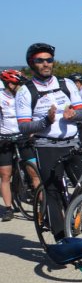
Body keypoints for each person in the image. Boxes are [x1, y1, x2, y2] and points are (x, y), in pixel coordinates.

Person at [16, 43, 82, 241]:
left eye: (49, 60)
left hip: (72, 143)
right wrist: (45, 121)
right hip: (46, 146)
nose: (46, 64)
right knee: (53, 193)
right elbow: (23, 126)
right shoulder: (26, 91)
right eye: (40, 60)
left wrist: (74, 115)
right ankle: (62, 241)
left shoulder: (67, 84)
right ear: (32, 63)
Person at [1, 69, 39, 220]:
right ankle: (8, 208)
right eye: (18, 84)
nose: (21, 86)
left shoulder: (23, 95)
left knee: (34, 172)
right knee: (5, 174)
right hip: (4, 138)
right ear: (9, 84)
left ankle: (43, 205)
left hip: (23, 137)